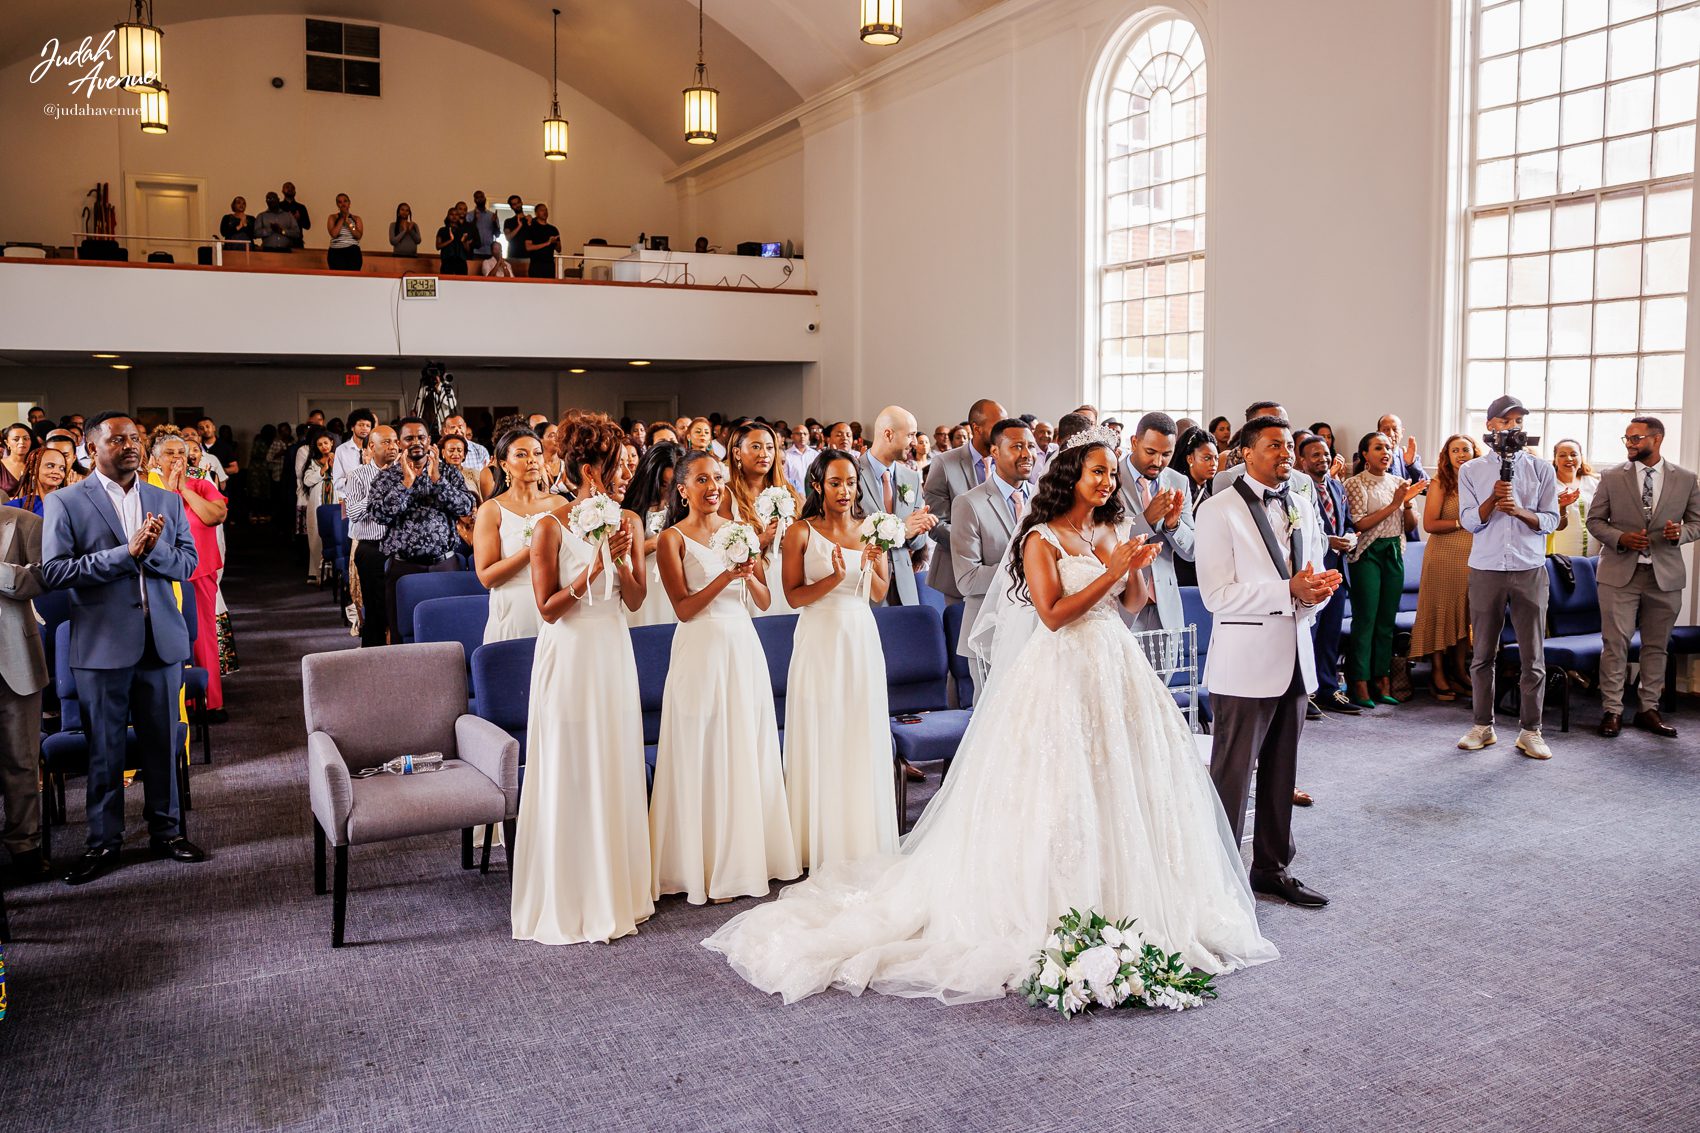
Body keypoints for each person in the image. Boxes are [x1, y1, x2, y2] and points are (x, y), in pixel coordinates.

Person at [704, 432, 1275, 1003]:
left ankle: (1129, 896)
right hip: (1061, 668)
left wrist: (1137, 560)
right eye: (1096, 472)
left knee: (1121, 782)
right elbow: (1052, 616)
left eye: (1110, 473)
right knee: (1057, 785)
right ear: (1071, 476)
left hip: (1114, 666)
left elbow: (1128, 605)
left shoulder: (1107, 529)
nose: (1106, 482)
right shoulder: (1039, 537)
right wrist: (1111, 570)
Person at [42, 412, 205, 885]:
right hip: (101, 648)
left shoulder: (163, 500)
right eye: (119, 440)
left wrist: (150, 550)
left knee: (161, 743)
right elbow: (55, 572)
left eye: (135, 438)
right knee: (105, 751)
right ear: (93, 449)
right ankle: (103, 841)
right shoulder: (68, 503)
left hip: (160, 642)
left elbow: (187, 563)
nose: (131, 446)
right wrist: (124, 554)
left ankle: (167, 831)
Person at [511, 413, 652, 945]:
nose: (623, 477)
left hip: (612, 652)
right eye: (615, 468)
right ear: (590, 470)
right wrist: (592, 568)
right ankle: (571, 893)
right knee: (572, 763)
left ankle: (617, 890)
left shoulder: (631, 522)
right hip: (568, 656)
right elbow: (547, 609)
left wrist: (623, 562)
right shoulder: (548, 527)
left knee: (613, 761)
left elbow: (635, 601)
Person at [1194, 416, 1341, 908]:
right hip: (1245, 661)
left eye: (1288, 446)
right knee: (1232, 775)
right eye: (1274, 445)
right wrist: (1288, 591)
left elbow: (1310, 573)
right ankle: (1217, 879)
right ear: (1246, 453)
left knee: (1282, 770)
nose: (1285, 453)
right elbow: (1217, 595)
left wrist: (1315, 594)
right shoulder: (1218, 510)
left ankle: (1272, 868)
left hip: (1295, 655)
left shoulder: (1300, 502)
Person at [650, 450, 799, 904]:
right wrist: (724, 577)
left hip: (741, 646)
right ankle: (702, 865)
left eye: (718, 478)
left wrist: (749, 571)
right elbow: (684, 609)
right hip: (701, 648)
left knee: (744, 745)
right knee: (704, 746)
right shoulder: (671, 539)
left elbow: (760, 594)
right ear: (683, 490)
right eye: (702, 479)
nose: (713, 486)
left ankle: (747, 858)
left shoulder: (738, 531)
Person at [779, 449, 895, 870]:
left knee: (858, 730)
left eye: (850, 482)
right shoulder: (801, 533)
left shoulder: (872, 529)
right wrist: (832, 577)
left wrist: (871, 563)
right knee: (823, 729)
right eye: (835, 483)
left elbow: (879, 593)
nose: (845, 491)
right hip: (820, 638)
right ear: (818, 486)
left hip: (860, 636)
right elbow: (793, 597)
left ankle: (860, 837)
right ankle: (816, 840)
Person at [1456, 395, 1561, 759]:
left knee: (1533, 654)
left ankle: (1531, 731)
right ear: (1490, 427)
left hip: (1529, 568)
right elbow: (1468, 521)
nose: (1512, 427)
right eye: (1505, 421)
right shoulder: (1470, 471)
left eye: (1518, 421)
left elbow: (1551, 520)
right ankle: (1482, 726)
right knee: (1483, 652)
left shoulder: (1541, 469)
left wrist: (1520, 511)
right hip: (1485, 568)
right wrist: (1492, 500)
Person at [1587, 416, 1700, 739]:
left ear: (1657, 438)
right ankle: (1612, 710)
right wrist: (1620, 538)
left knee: (1656, 645)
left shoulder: (1686, 478)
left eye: (1636, 439)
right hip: (1618, 573)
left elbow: (1697, 522)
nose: (1630, 445)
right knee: (1615, 644)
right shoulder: (1611, 476)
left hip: (1665, 574)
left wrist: (1681, 533)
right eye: (1627, 439)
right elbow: (1595, 521)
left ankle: (1648, 709)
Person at [367, 418, 478, 645]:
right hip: (403, 568)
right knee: (402, 633)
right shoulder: (387, 477)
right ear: (399, 443)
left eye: (421, 437)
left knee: (449, 630)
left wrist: (438, 481)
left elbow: (466, 508)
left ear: (429, 440)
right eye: (409, 438)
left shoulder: (447, 472)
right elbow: (379, 514)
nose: (416, 442)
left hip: (444, 564)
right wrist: (406, 484)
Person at [949, 418, 1034, 691]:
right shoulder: (969, 504)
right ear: (994, 452)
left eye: (1030, 446)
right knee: (992, 721)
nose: (1027, 454)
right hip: (990, 630)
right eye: (1017, 446)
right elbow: (968, 579)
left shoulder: (1043, 499)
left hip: (1038, 630)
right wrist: (1030, 570)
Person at [149, 428, 228, 715]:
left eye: (181, 452)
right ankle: (174, 701)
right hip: (159, 574)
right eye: (169, 453)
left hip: (198, 571)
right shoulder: (146, 487)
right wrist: (169, 490)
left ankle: (209, 700)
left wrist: (183, 489)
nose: (177, 458)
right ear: (155, 460)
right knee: (167, 636)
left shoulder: (200, 484)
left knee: (203, 636)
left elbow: (215, 516)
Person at [1343, 433, 1425, 708]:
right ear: (1365, 455)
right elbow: (1358, 525)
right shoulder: (1355, 484)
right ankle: (1359, 681)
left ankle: (1383, 678)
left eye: (1388, 448)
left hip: (1394, 552)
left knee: (1386, 622)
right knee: (1366, 619)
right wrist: (1394, 503)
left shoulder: (1398, 483)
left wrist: (1409, 502)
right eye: (1378, 448)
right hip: (1367, 553)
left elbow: (1410, 526)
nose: (1385, 452)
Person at [474, 427, 563, 643]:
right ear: (504, 464)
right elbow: (487, 578)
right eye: (521, 454)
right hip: (514, 610)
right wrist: (533, 550)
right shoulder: (491, 509)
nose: (531, 460)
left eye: (537, 453)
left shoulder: (560, 504)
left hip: (556, 607)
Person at [1410, 434, 1480, 703]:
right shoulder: (1440, 482)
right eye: (1455, 450)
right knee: (1440, 614)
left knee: (1463, 616)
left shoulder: (1480, 483)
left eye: (1466, 449)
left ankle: (1459, 672)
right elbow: (1429, 525)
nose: (1461, 454)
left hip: (1473, 558)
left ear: (1475, 453)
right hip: (1443, 557)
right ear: (1447, 456)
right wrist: (1464, 523)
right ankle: (1437, 673)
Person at [0, 503, 48, 885]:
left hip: (14, 658)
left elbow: (40, 581)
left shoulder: (26, 523)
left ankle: (25, 846)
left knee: (21, 759)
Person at [1295, 433, 1359, 716]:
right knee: (1309, 632)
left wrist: (1348, 538)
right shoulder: (1298, 491)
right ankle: (1303, 691)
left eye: (1326, 454)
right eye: (1315, 455)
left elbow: (1344, 521)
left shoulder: (1336, 486)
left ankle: (1328, 688)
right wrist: (1327, 541)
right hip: (1312, 569)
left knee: (1330, 634)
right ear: (1302, 460)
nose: (1323, 459)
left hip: (1337, 567)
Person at [1116, 411, 1194, 634]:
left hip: (1165, 607)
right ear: (1134, 442)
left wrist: (1173, 526)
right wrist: (1146, 520)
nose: (1158, 462)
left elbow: (1192, 551)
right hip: (1121, 603)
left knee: (1166, 671)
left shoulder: (1179, 482)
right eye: (1150, 452)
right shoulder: (1112, 478)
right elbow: (1103, 541)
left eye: (1166, 454)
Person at [923, 398, 1006, 604]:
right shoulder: (944, 463)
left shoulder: (1007, 462)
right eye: (997, 426)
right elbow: (935, 523)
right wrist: (975, 544)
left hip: (1001, 574)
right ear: (976, 428)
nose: (1003, 433)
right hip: (957, 575)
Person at [856, 407, 937, 606]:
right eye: (910, 435)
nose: (915, 442)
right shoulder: (852, 474)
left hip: (903, 583)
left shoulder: (911, 476)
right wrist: (902, 529)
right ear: (888, 434)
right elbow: (848, 532)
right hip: (865, 581)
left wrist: (918, 530)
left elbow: (918, 542)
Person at [723, 421, 802, 619]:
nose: (764, 454)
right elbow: (722, 551)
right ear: (737, 453)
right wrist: (763, 539)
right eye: (756, 447)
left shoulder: (788, 492)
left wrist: (791, 539)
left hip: (788, 580)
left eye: (769, 447)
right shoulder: (726, 494)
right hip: (752, 586)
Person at [340, 425, 398, 646]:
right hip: (372, 548)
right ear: (371, 447)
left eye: (395, 441)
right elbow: (353, 513)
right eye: (386, 442)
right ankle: (373, 657)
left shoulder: (406, 474)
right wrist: (378, 490)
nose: (393, 447)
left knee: (398, 606)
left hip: (400, 549)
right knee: (376, 608)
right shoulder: (358, 476)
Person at [623, 441, 682, 628]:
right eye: (663, 485)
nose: (668, 492)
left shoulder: (686, 507)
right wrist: (654, 544)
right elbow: (619, 553)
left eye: (674, 485)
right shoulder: (631, 508)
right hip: (642, 581)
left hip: (675, 582)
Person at [299, 430, 338, 584]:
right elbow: (307, 481)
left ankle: (337, 573)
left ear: (332, 443)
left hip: (336, 499)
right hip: (317, 502)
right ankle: (317, 573)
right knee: (316, 535)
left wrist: (334, 465)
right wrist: (323, 469)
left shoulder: (340, 458)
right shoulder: (313, 462)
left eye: (326, 443)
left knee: (336, 535)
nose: (323, 447)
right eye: (320, 444)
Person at [1547, 439, 1598, 556]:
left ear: (1581, 458)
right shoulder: (1548, 485)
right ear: (1555, 459)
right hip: (1561, 552)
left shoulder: (1594, 483)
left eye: (1574, 454)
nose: (1569, 459)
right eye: (1562, 455)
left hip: (1593, 551)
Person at [6, 447, 68, 516]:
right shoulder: (14, 507)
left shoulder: (69, 505)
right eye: (50, 466)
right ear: (33, 469)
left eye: (62, 468)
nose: (57, 472)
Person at [522, 203, 562, 279]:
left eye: (546, 210)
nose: (545, 212)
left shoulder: (553, 229)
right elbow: (528, 247)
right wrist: (547, 243)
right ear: (536, 213)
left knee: (549, 288)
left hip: (550, 264)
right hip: (536, 264)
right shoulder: (531, 227)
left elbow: (559, 249)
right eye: (542, 210)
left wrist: (555, 242)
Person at [466, 190, 501, 273]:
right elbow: (468, 233)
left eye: (482, 197)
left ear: (485, 198)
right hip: (475, 252)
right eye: (477, 198)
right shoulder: (469, 215)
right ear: (474, 200)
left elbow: (497, 234)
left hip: (489, 251)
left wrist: (494, 222)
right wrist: (475, 219)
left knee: (489, 276)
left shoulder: (492, 215)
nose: (480, 199)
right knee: (474, 275)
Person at [436, 204, 472, 275]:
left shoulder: (463, 231)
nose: (454, 216)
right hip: (447, 261)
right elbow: (438, 246)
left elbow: (468, 250)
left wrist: (464, 241)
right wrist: (450, 240)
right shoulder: (442, 230)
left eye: (456, 215)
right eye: (451, 214)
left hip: (461, 262)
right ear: (448, 216)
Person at [782, 423, 817, 493]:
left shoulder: (816, 455)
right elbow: (784, 479)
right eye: (799, 434)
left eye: (805, 434)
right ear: (792, 436)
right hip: (794, 495)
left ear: (809, 436)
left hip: (813, 496)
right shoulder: (786, 455)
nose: (802, 436)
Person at [0, 423, 32, 496]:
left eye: (26, 438)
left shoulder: (37, 465)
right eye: (16, 439)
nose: (22, 442)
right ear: (7, 442)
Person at [279, 181, 310, 247]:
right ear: (282, 191)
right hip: (281, 241)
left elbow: (307, 226)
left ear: (295, 192)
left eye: (292, 188)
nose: (290, 189)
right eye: (287, 187)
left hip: (297, 242)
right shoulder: (278, 206)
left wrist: (299, 219)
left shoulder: (301, 207)